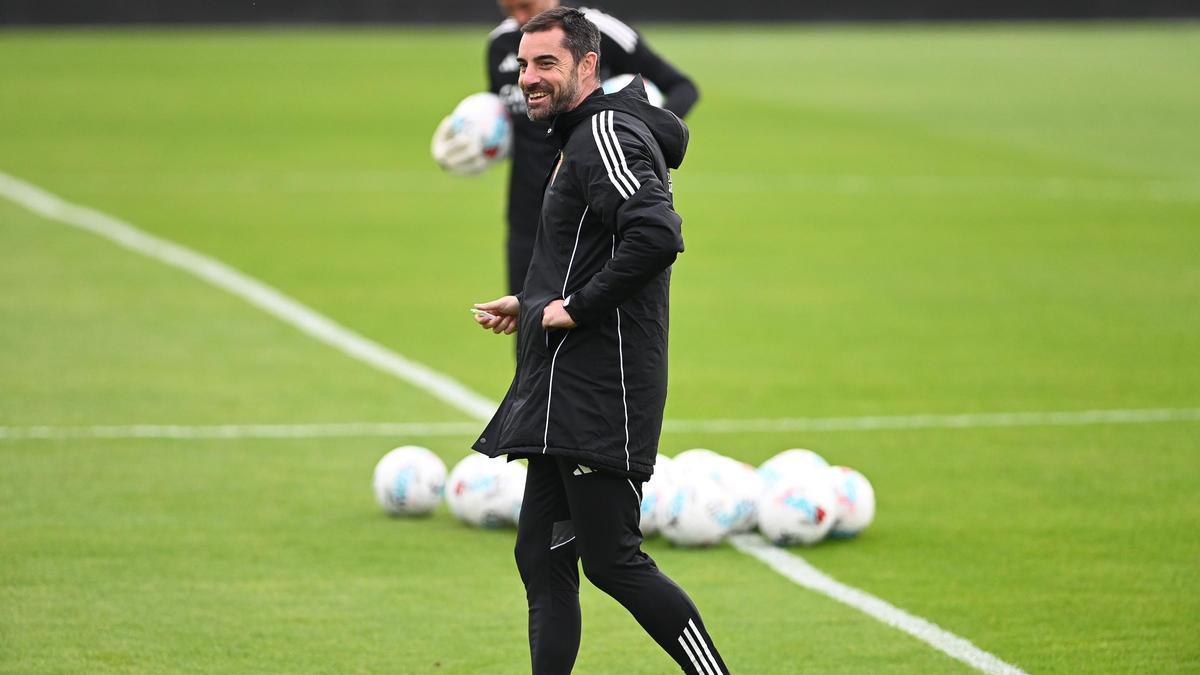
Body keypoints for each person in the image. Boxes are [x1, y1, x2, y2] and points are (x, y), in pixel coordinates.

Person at [469, 8, 728, 675]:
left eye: (546, 63)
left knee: (613, 560)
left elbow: (657, 234)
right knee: (541, 554)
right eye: (523, 65)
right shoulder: (577, 136)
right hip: (562, 385)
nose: (528, 78)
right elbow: (587, 249)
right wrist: (531, 305)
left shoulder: (605, 132)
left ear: (588, 65)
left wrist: (576, 308)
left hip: (599, 388)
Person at [487, 0, 700, 297]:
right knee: (529, 314)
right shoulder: (500, 43)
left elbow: (682, 88)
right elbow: (510, 122)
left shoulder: (598, 31)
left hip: (591, 210)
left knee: (584, 314)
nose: (519, 18)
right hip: (527, 211)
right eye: (509, 11)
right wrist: (480, 138)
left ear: (588, 64)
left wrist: (635, 134)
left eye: (525, 6)